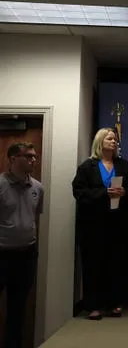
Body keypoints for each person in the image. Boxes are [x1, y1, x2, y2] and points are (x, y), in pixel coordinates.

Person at [72, 128, 128, 320]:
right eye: (109, 138)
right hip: (93, 226)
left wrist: (124, 193)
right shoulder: (87, 167)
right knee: (93, 265)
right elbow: (79, 192)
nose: (113, 142)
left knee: (116, 264)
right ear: (100, 142)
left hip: (118, 224)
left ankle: (114, 303)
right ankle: (93, 306)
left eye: (115, 139)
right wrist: (103, 193)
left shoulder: (123, 165)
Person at [0, 142, 43, 348]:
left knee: (18, 310)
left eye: (34, 156)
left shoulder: (37, 187)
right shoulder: (0, 184)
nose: (33, 160)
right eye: (28, 156)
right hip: (1, 255)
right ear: (12, 159)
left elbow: (34, 218)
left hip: (26, 256)